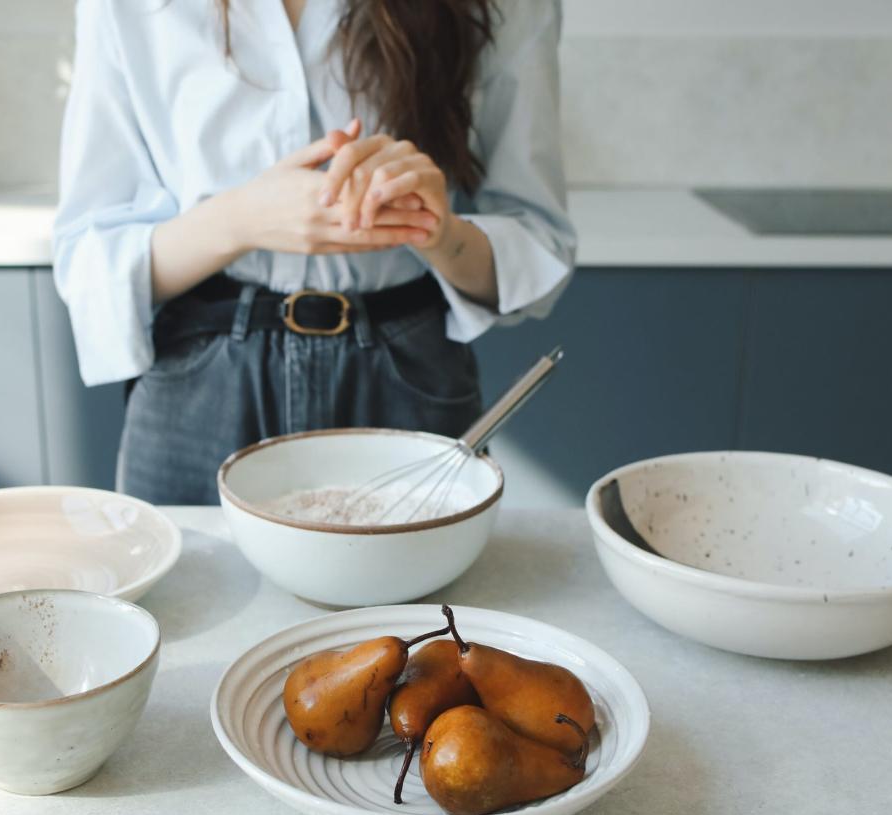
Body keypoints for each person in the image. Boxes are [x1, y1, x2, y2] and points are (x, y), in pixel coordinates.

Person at [53, 0, 575, 504]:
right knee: (183, 592)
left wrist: (438, 231)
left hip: (405, 375)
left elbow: (537, 240)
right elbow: (88, 256)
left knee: (413, 595)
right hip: (200, 378)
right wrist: (240, 218)